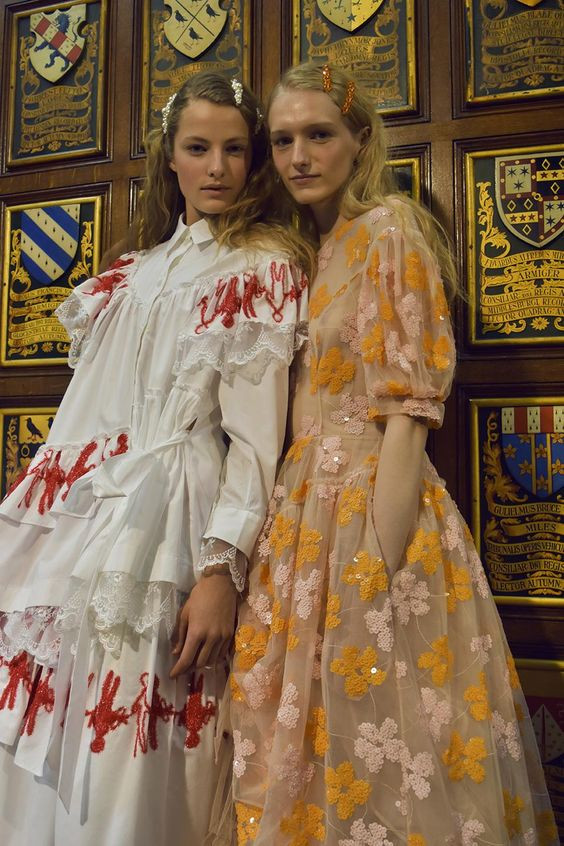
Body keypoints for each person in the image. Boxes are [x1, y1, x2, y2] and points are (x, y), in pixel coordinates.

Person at [229, 63, 557, 846]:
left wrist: (378, 556)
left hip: (374, 498)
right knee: (302, 743)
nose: (299, 156)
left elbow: (409, 416)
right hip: (299, 516)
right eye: (284, 140)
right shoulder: (306, 250)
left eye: (319, 135)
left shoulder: (388, 230)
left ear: (359, 139)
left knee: (389, 738)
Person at [0, 72, 313, 845]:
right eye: (198, 148)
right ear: (168, 156)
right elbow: (80, 418)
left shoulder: (258, 271)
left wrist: (221, 570)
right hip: (86, 519)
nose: (217, 168)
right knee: (54, 735)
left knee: (137, 753)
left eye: (235, 150)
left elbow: (255, 440)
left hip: (174, 520)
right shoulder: (127, 276)